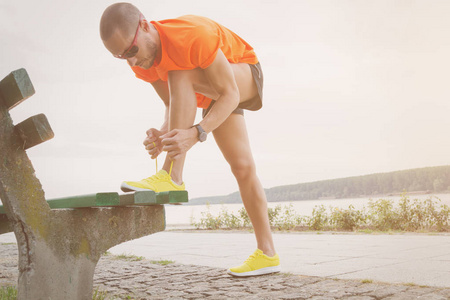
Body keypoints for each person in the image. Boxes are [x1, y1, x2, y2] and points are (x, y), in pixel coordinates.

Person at [99, 2, 280, 277]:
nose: (132, 62)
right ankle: (267, 253)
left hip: (239, 74)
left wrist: (196, 134)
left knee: (179, 69)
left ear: (145, 25)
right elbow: (174, 104)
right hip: (209, 91)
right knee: (242, 167)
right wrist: (164, 135)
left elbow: (229, 94)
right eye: (121, 56)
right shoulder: (141, 65)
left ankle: (172, 175)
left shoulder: (192, 36)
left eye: (132, 50)